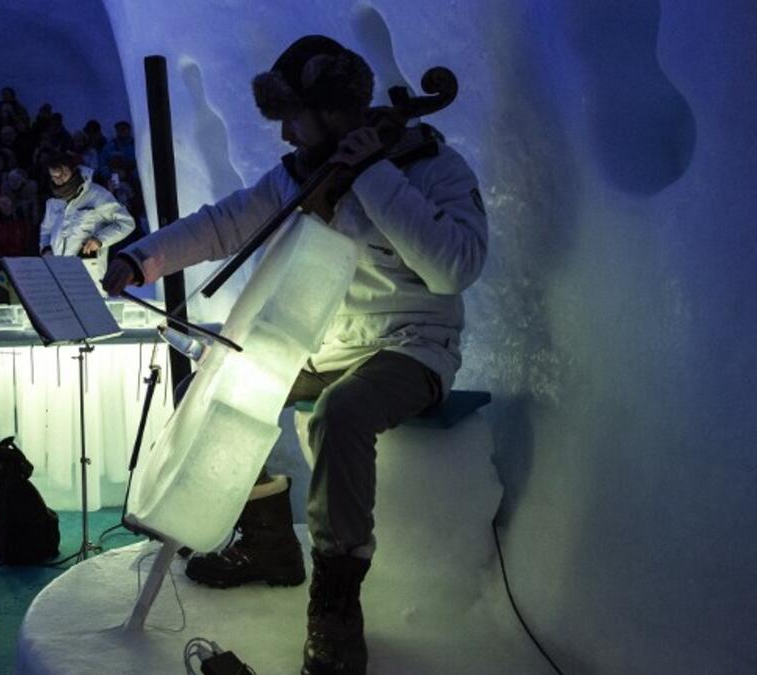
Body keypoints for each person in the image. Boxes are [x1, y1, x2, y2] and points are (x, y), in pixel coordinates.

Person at [102, 35, 488, 674]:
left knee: (340, 412)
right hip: (330, 343)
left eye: (293, 116)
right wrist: (141, 257)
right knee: (226, 379)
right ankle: (269, 543)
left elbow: (454, 268)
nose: (284, 134)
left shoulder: (431, 167)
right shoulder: (304, 173)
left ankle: (336, 605)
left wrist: (375, 175)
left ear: (333, 112)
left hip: (412, 346)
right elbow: (224, 223)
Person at [39, 153, 134, 288]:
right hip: (58, 274)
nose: (59, 179)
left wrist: (100, 240)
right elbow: (46, 230)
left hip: (89, 275)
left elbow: (127, 223)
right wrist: (46, 249)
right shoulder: (53, 201)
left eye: (63, 174)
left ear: (73, 170)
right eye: (55, 176)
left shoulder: (97, 195)